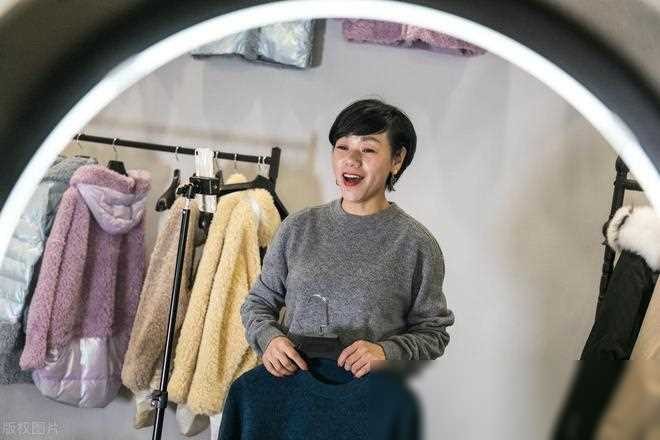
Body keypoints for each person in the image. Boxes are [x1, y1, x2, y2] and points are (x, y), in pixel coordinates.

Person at [240, 98, 454, 378]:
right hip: (293, 392)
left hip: (371, 397)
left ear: (397, 160)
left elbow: (433, 333)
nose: (351, 159)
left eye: (368, 149)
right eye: (342, 147)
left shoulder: (416, 244)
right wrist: (270, 339)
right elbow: (257, 303)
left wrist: (387, 352)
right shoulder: (297, 228)